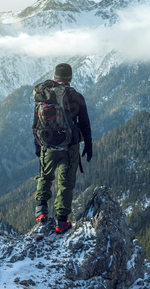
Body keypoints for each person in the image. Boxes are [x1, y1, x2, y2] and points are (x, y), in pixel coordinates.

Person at [33, 63, 92, 234]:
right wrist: (88, 145)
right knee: (65, 184)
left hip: (47, 145)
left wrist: (39, 147)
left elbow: (35, 124)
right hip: (70, 147)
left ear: (55, 77)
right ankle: (61, 222)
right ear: (70, 78)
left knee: (45, 175)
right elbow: (85, 125)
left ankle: (41, 211)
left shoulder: (43, 95)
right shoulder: (77, 97)